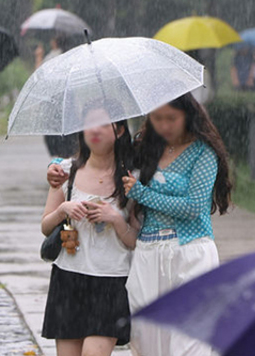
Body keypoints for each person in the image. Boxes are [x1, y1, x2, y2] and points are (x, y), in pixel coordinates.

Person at [47, 93, 232, 356]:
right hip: (147, 255)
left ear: (188, 115)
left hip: (189, 252)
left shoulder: (203, 153)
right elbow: (104, 153)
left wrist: (143, 194)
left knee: (190, 344)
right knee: (148, 345)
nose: (164, 125)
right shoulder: (145, 148)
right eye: (156, 118)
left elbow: (193, 208)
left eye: (171, 118)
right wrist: (55, 166)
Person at [41, 105, 139, 356]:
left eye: (103, 124)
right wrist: (64, 209)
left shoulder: (130, 179)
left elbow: (133, 240)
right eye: (89, 124)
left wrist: (115, 218)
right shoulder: (64, 171)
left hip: (111, 281)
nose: (94, 130)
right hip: (68, 278)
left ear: (118, 130)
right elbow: (45, 227)